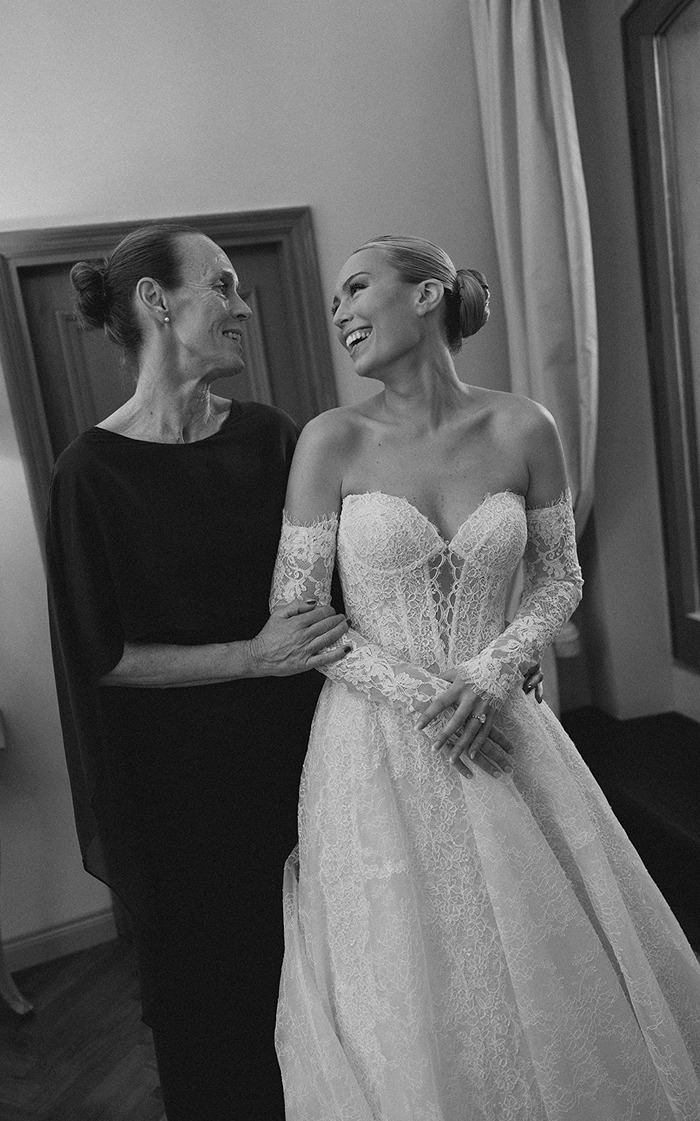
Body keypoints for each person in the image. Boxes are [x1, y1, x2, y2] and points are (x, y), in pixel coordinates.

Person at [45, 223, 529, 1120]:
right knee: (217, 1003)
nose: (243, 305)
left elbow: (367, 587)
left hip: (315, 759)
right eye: (222, 286)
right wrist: (249, 654)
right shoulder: (90, 473)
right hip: (184, 790)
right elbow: (99, 655)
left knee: (348, 983)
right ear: (156, 302)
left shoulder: (273, 438)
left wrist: (491, 657)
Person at [269, 235, 700, 1119]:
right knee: (411, 968)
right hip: (376, 746)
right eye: (336, 300)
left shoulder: (524, 425)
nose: (341, 312)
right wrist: (434, 700)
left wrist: (495, 669)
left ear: (427, 294)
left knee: (545, 954)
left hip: (504, 723)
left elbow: (559, 575)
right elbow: (298, 610)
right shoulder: (330, 440)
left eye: (357, 288)